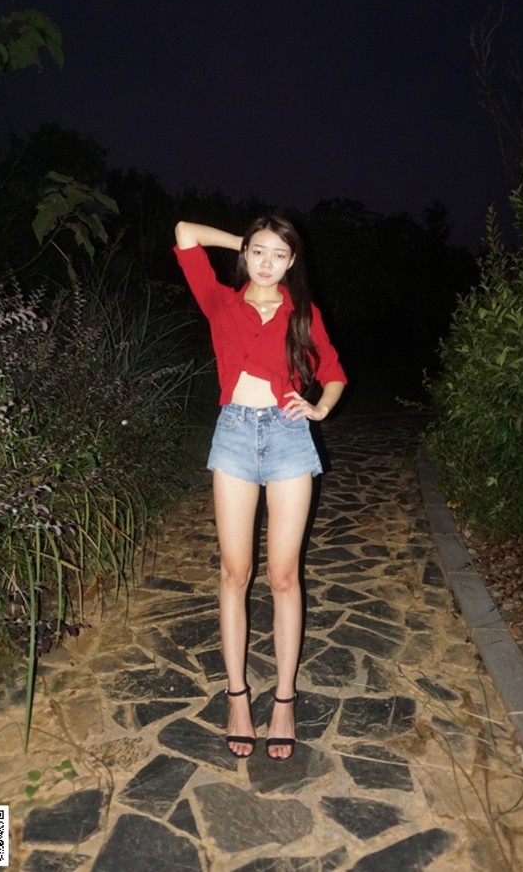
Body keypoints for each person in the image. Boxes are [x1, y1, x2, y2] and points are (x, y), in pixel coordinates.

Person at [173, 215, 346, 760]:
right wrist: (241, 240)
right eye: (258, 252)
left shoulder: (303, 314)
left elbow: (335, 370)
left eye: (279, 255)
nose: (267, 263)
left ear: (293, 262)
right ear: (245, 255)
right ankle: (238, 697)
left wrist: (318, 406)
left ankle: (285, 700)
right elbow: (183, 232)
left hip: (290, 435)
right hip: (234, 436)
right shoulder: (221, 301)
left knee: (284, 574)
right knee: (234, 571)